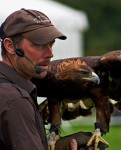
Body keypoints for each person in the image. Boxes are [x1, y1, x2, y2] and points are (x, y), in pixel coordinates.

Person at [0, 8, 95, 150]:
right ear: (10, 46)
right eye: (39, 45)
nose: (50, 54)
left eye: (51, 44)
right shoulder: (15, 101)